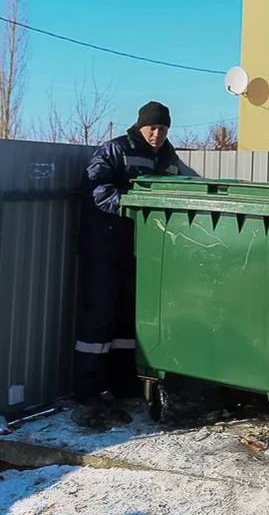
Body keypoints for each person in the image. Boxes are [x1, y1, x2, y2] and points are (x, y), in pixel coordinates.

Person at [72, 101, 180, 428]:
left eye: (162, 129)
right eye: (152, 128)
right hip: (104, 249)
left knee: (128, 320)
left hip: (140, 251)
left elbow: (177, 188)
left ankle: (123, 383)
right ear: (139, 125)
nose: (157, 134)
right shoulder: (113, 151)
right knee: (99, 318)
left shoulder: (167, 156)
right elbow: (96, 191)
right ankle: (87, 389)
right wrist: (136, 205)